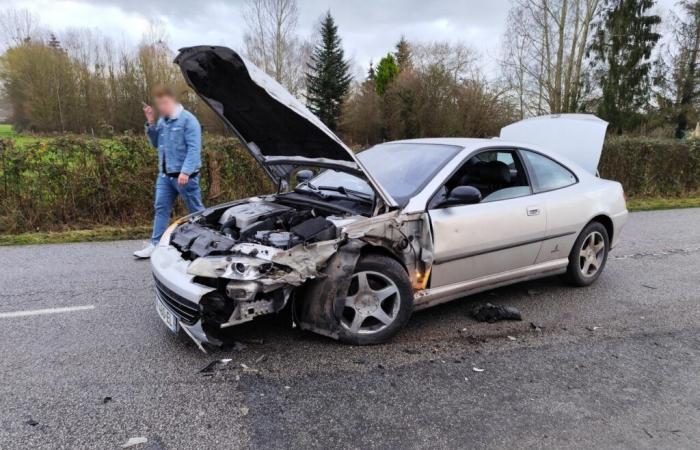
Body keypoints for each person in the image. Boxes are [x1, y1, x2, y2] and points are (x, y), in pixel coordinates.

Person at [133, 86, 205, 259]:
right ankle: (154, 244)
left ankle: (207, 243)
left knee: (196, 212)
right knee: (161, 208)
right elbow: (156, 143)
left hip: (185, 177)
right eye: (159, 104)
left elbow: (194, 149)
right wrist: (150, 122)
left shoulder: (189, 121)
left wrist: (186, 172)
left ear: (173, 101)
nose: (161, 107)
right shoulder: (163, 120)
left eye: (164, 103)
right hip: (165, 177)